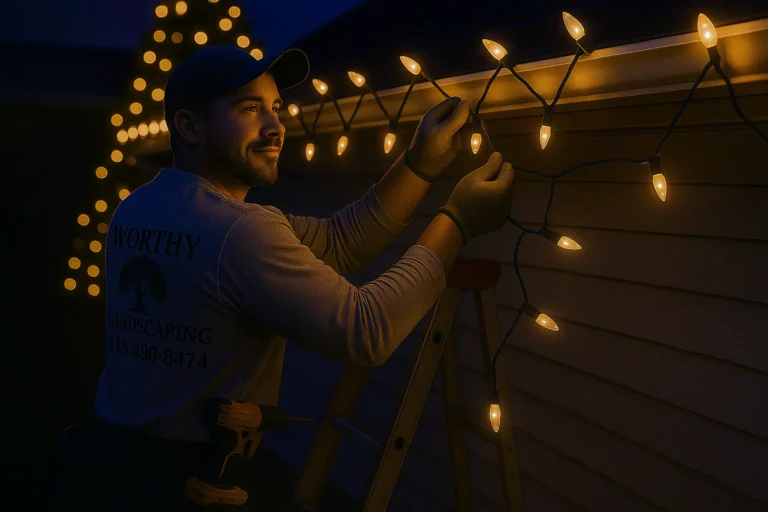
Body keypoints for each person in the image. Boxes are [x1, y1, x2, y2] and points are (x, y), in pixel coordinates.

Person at [47, 44, 515, 511]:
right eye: (249, 109)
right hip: (189, 485)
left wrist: (419, 164)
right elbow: (369, 329)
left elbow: (342, 241)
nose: (275, 127)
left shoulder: (137, 209)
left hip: (108, 467)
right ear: (189, 126)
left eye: (276, 108)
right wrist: (457, 221)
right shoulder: (238, 232)